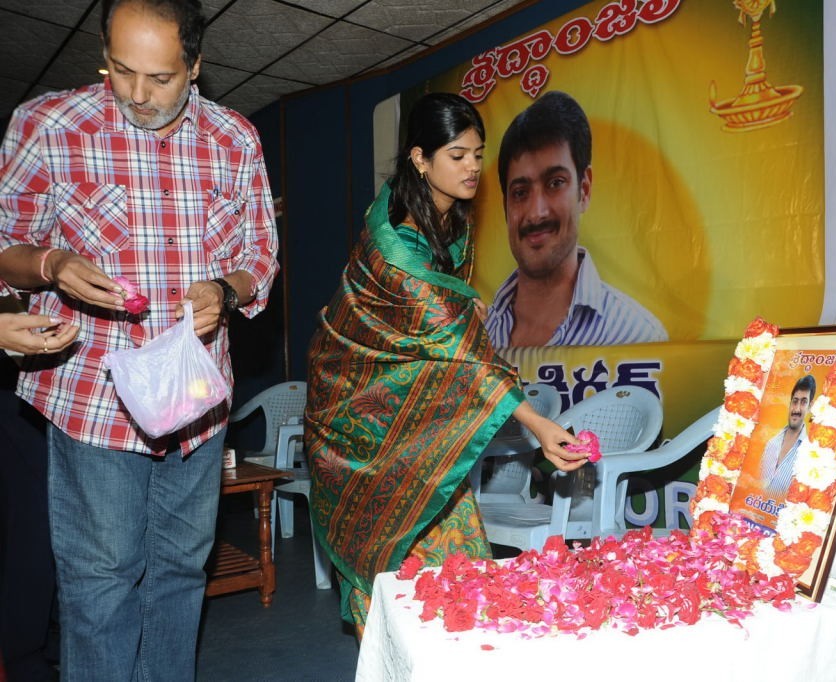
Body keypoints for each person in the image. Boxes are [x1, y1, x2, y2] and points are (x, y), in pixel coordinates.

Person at [0, 0, 279, 678]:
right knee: (102, 580)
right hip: (96, 400)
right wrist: (51, 265)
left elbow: (261, 257)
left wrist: (226, 290)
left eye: (160, 78)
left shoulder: (236, 139)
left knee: (182, 573)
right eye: (122, 70)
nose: (137, 94)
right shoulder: (47, 124)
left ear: (196, 66)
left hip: (196, 401)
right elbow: (5, 245)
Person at [304, 92, 587, 638]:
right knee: (381, 556)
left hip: (418, 418)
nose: (473, 168)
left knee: (455, 544)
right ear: (419, 159)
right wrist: (538, 425)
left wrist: (458, 295)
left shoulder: (444, 215)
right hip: (358, 414)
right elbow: (459, 349)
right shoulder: (398, 250)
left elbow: (443, 311)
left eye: (478, 154)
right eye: (457, 156)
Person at [485, 91, 669, 347]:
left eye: (555, 183)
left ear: (584, 190)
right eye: (520, 192)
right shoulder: (476, 336)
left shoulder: (638, 337)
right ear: (506, 207)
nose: (536, 212)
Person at [0, 302, 78, 682]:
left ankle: (45, 637)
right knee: (32, 517)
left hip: (29, 374)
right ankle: (26, 652)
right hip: (12, 376)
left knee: (44, 512)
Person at [759, 374, 816, 501]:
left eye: (803, 402)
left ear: (810, 406)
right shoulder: (770, 443)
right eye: (795, 401)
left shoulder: (809, 453)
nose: (796, 409)